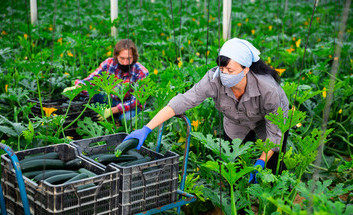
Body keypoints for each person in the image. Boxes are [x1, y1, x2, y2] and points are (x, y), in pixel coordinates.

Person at [124, 38, 289, 183]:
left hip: (267, 125)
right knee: (234, 172)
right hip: (236, 125)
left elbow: (275, 134)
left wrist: (260, 161)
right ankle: (241, 213)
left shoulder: (268, 88)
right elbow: (184, 101)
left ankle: (275, 207)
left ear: (246, 69)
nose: (224, 74)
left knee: (273, 168)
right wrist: (146, 128)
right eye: (222, 69)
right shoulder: (214, 80)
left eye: (230, 71)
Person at [63, 39, 149, 122]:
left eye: (129, 58)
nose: (125, 62)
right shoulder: (109, 63)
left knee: (126, 119)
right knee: (84, 96)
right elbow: (91, 80)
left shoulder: (141, 72)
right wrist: (77, 87)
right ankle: (105, 117)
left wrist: (112, 110)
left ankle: (116, 118)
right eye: (122, 58)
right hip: (112, 100)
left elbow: (136, 100)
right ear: (116, 56)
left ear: (134, 57)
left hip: (131, 106)